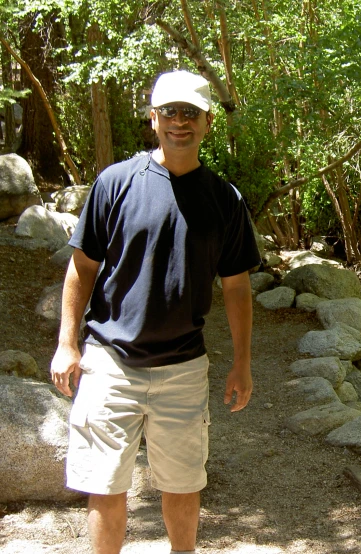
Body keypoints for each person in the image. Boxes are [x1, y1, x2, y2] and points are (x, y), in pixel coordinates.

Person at [50, 70, 261, 554]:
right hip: (110, 361)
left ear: (208, 122)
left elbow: (236, 287)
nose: (179, 122)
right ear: (153, 118)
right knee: (104, 485)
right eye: (169, 112)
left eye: (190, 113)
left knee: (183, 484)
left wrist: (243, 362)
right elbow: (81, 267)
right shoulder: (116, 183)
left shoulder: (225, 200)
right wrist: (66, 344)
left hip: (184, 368)